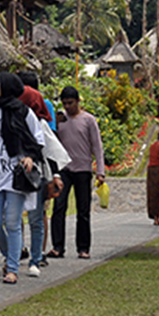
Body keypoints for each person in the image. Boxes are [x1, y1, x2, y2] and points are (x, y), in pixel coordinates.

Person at [0, 72, 45, 283]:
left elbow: (38, 140)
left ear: (8, 86)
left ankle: (12, 268)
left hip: (16, 175)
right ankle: (10, 254)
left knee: (13, 222)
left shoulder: (24, 112)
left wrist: (31, 157)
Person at [49, 86, 106, 260]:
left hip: (83, 169)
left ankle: (83, 248)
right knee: (59, 207)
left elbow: (97, 146)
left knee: (83, 210)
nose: (67, 107)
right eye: (64, 103)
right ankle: (58, 246)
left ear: (78, 102)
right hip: (63, 169)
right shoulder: (60, 120)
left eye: (70, 103)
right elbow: (53, 141)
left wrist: (100, 171)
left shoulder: (89, 120)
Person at [18, 71, 58, 267]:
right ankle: (23, 250)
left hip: (39, 170)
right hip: (20, 171)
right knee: (18, 215)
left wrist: (54, 173)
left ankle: (37, 252)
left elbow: (51, 142)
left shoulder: (42, 116)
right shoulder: (13, 117)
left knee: (37, 213)